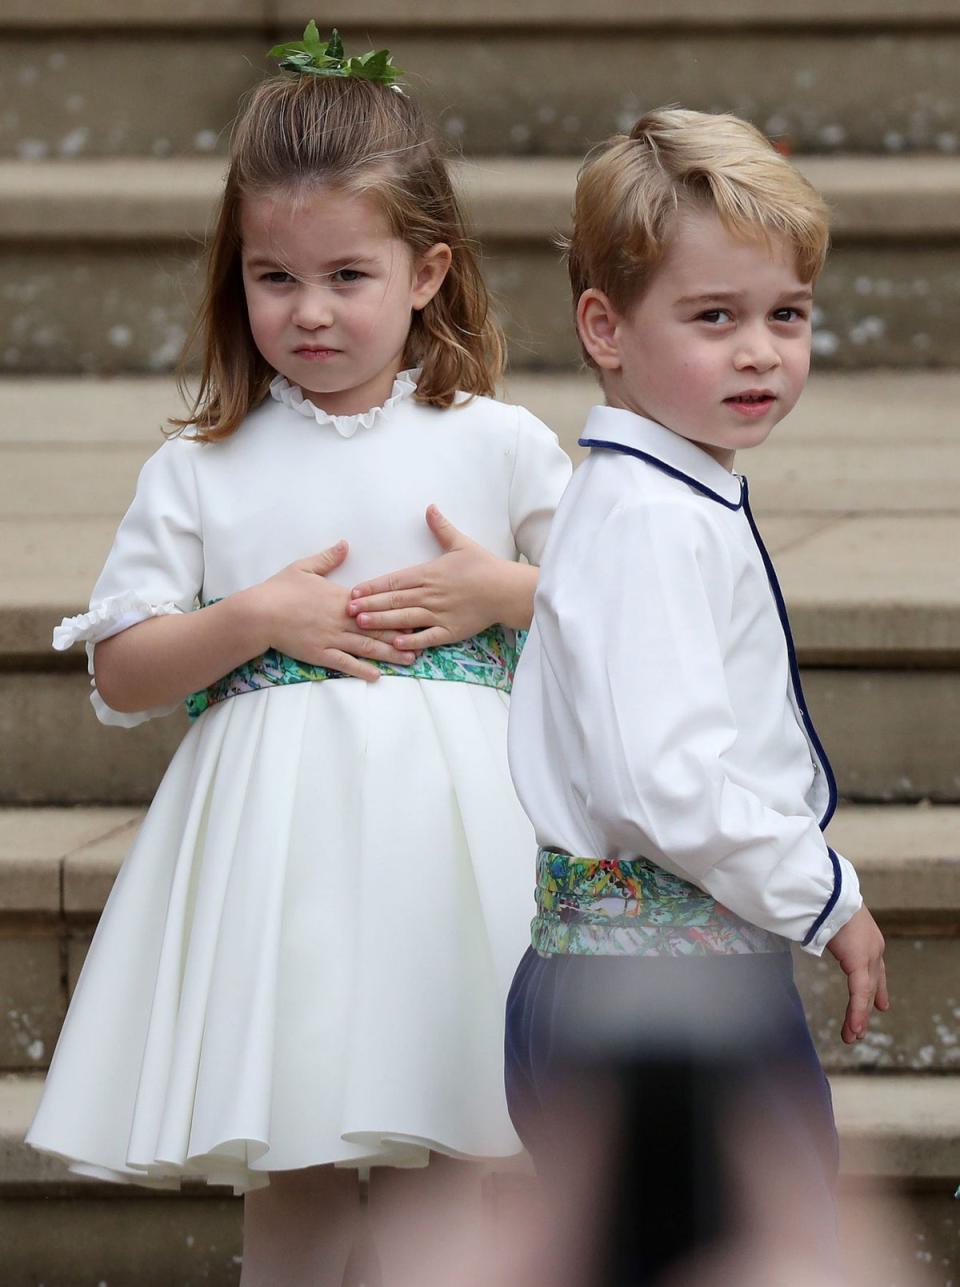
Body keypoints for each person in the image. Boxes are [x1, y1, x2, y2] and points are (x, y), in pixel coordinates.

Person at [26, 27, 571, 1286]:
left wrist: (500, 588)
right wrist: (249, 622)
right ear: (237, 277)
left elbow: (615, 605)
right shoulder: (203, 466)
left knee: (465, 1143)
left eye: (347, 275)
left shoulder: (496, 442)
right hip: (284, 865)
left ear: (428, 271)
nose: (310, 311)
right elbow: (121, 670)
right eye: (275, 279)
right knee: (300, 1152)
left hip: (461, 846)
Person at [504, 109, 889, 1281]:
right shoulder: (655, 521)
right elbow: (666, 779)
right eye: (714, 318)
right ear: (604, 327)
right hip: (663, 996)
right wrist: (823, 894)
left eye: (788, 315)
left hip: (641, 977)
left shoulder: (652, 496)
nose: (762, 352)